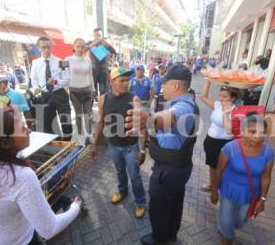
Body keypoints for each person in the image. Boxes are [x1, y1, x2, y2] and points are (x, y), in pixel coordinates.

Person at [0, 107, 82, 245]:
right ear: (5, 143)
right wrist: (75, 208)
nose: (29, 130)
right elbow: (49, 229)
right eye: (22, 129)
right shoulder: (20, 177)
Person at [125, 63, 199, 244]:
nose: (161, 87)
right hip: (179, 167)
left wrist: (149, 120)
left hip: (169, 170)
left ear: (175, 85)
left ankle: (159, 238)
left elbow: (170, 118)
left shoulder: (183, 107)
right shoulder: (187, 103)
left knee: (159, 205)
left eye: (164, 84)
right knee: (174, 202)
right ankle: (171, 234)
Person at [211, 112, 275, 245]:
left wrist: (262, 199)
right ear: (242, 130)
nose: (258, 137)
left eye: (262, 132)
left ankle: (224, 223)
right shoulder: (230, 148)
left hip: (250, 193)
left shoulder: (268, 152)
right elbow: (219, 171)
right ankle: (225, 229)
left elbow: (266, 177)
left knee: (240, 222)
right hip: (229, 191)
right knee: (228, 229)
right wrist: (214, 191)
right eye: (253, 131)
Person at [91, 67, 147, 219]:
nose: (126, 83)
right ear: (112, 82)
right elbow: (100, 122)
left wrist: (142, 150)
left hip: (131, 147)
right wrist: (94, 143)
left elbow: (142, 125)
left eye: (127, 80)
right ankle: (122, 191)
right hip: (113, 145)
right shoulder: (103, 99)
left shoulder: (134, 98)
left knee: (135, 176)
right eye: (121, 80)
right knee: (120, 172)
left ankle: (140, 202)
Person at [30, 36, 72, 141]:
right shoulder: (35, 63)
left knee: (66, 121)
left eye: (48, 47)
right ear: (39, 48)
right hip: (44, 95)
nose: (46, 50)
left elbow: (68, 80)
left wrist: (56, 82)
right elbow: (34, 79)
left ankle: (67, 143)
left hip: (60, 94)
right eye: (43, 47)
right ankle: (56, 144)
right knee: (48, 123)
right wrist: (37, 93)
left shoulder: (60, 62)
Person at [200, 80, 239, 192]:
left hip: (223, 143)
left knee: (220, 167)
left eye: (225, 96)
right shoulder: (218, 105)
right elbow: (203, 97)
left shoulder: (234, 111)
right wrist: (208, 81)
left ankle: (217, 187)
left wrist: (226, 114)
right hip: (210, 140)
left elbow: (228, 130)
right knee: (212, 165)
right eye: (220, 95)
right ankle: (213, 185)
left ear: (232, 98)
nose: (221, 98)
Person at [64, 38, 96, 146]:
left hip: (87, 90)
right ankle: (81, 136)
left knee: (88, 114)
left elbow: (91, 76)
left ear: (85, 48)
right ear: (74, 47)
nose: (80, 48)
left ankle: (89, 134)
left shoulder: (88, 60)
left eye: (82, 46)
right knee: (78, 115)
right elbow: (64, 76)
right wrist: (65, 89)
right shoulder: (68, 59)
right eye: (78, 46)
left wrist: (93, 90)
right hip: (74, 91)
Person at [87, 28, 116, 95]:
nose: (98, 37)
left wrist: (108, 46)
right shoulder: (90, 43)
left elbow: (114, 52)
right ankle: (94, 98)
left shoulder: (105, 43)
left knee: (104, 92)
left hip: (104, 70)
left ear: (101, 36)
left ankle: (103, 103)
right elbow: (82, 49)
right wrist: (91, 45)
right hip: (93, 69)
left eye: (99, 35)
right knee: (92, 91)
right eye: (96, 35)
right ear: (93, 36)